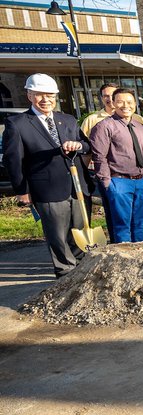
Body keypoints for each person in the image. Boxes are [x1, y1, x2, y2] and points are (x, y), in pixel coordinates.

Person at [1, 74, 90, 276]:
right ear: (29, 95)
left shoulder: (67, 119)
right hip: (47, 189)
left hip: (76, 187)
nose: (45, 100)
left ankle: (82, 271)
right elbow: (13, 160)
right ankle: (65, 274)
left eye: (50, 95)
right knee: (57, 236)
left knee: (79, 231)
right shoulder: (18, 123)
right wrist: (22, 191)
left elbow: (86, 145)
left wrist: (78, 146)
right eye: (39, 95)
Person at [82, 81, 143, 241]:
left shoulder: (139, 125)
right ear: (113, 103)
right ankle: (125, 258)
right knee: (122, 224)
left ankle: (141, 255)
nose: (125, 105)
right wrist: (107, 183)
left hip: (142, 182)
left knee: (141, 222)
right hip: (119, 182)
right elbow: (99, 156)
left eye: (129, 102)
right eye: (120, 101)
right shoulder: (104, 126)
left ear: (135, 104)